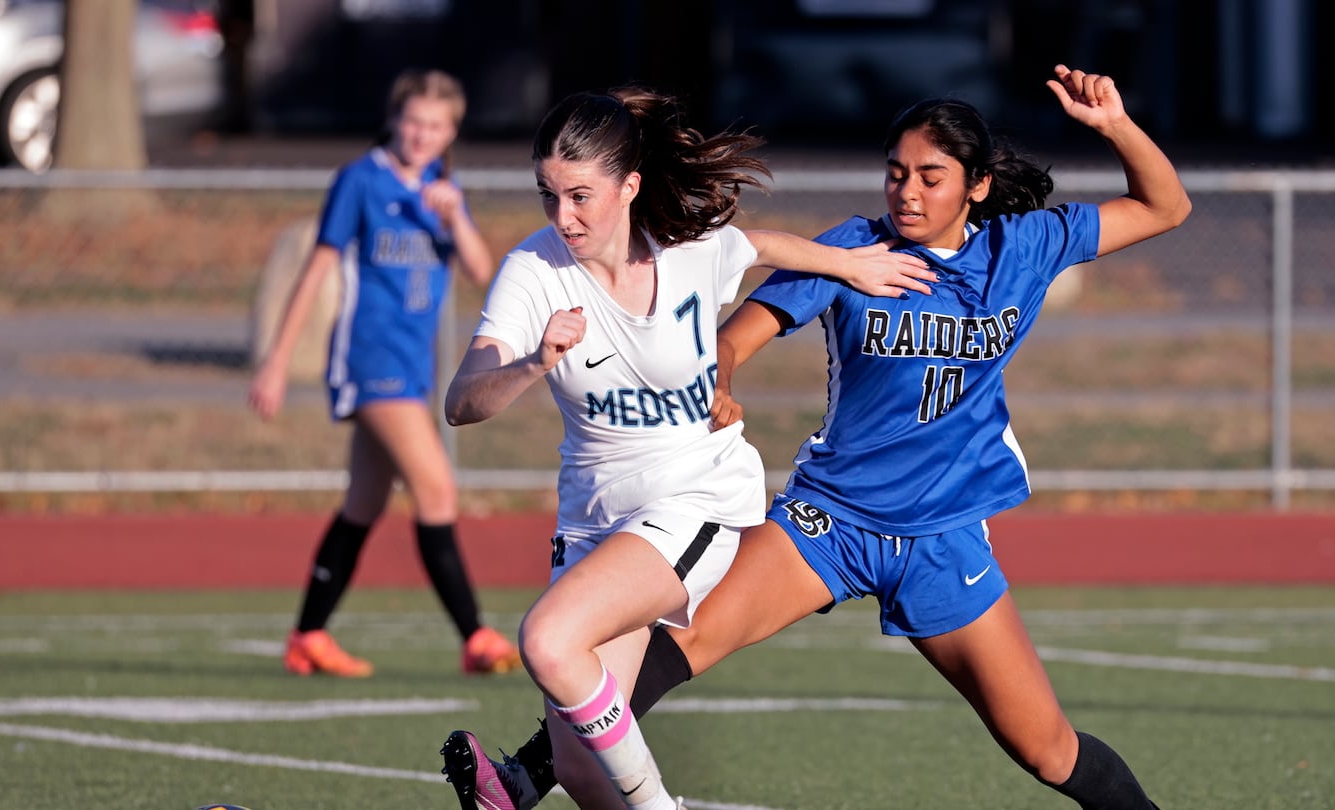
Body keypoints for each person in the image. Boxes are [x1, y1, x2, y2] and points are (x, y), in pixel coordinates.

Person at [442, 64, 1189, 809]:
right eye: (896, 172)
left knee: (1047, 748)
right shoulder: (855, 251)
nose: (907, 191)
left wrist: (1115, 125)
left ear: (978, 186)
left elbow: (1166, 207)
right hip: (828, 520)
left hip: (942, 534)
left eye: (931, 177)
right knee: (681, 640)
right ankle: (522, 779)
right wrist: (721, 378)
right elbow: (735, 333)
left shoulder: (1021, 251)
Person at [441, 85, 933, 809]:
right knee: (579, 773)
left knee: (548, 639)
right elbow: (462, 400)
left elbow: (763, 247)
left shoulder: (689, 252)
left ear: (630, 185)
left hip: (696, 497)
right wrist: (531, 363)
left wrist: (852, 267)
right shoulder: (532, 271)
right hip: (594, 517)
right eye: (548, 195)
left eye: (580, 195)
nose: (562, 215)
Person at [248, 68, 521, 678]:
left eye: (437, 126)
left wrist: (456, 218)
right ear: (396, 119)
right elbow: (317, 270)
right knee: (437, 490)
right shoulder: (360, 181)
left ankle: (309, 636)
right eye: (414, 121)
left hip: (412, 369)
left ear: (451, 132)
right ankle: (475, 636)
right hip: (370, 364)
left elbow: (482, 271)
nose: (422, 135)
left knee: (363, 505)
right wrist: (276, 361)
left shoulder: (442, 188)